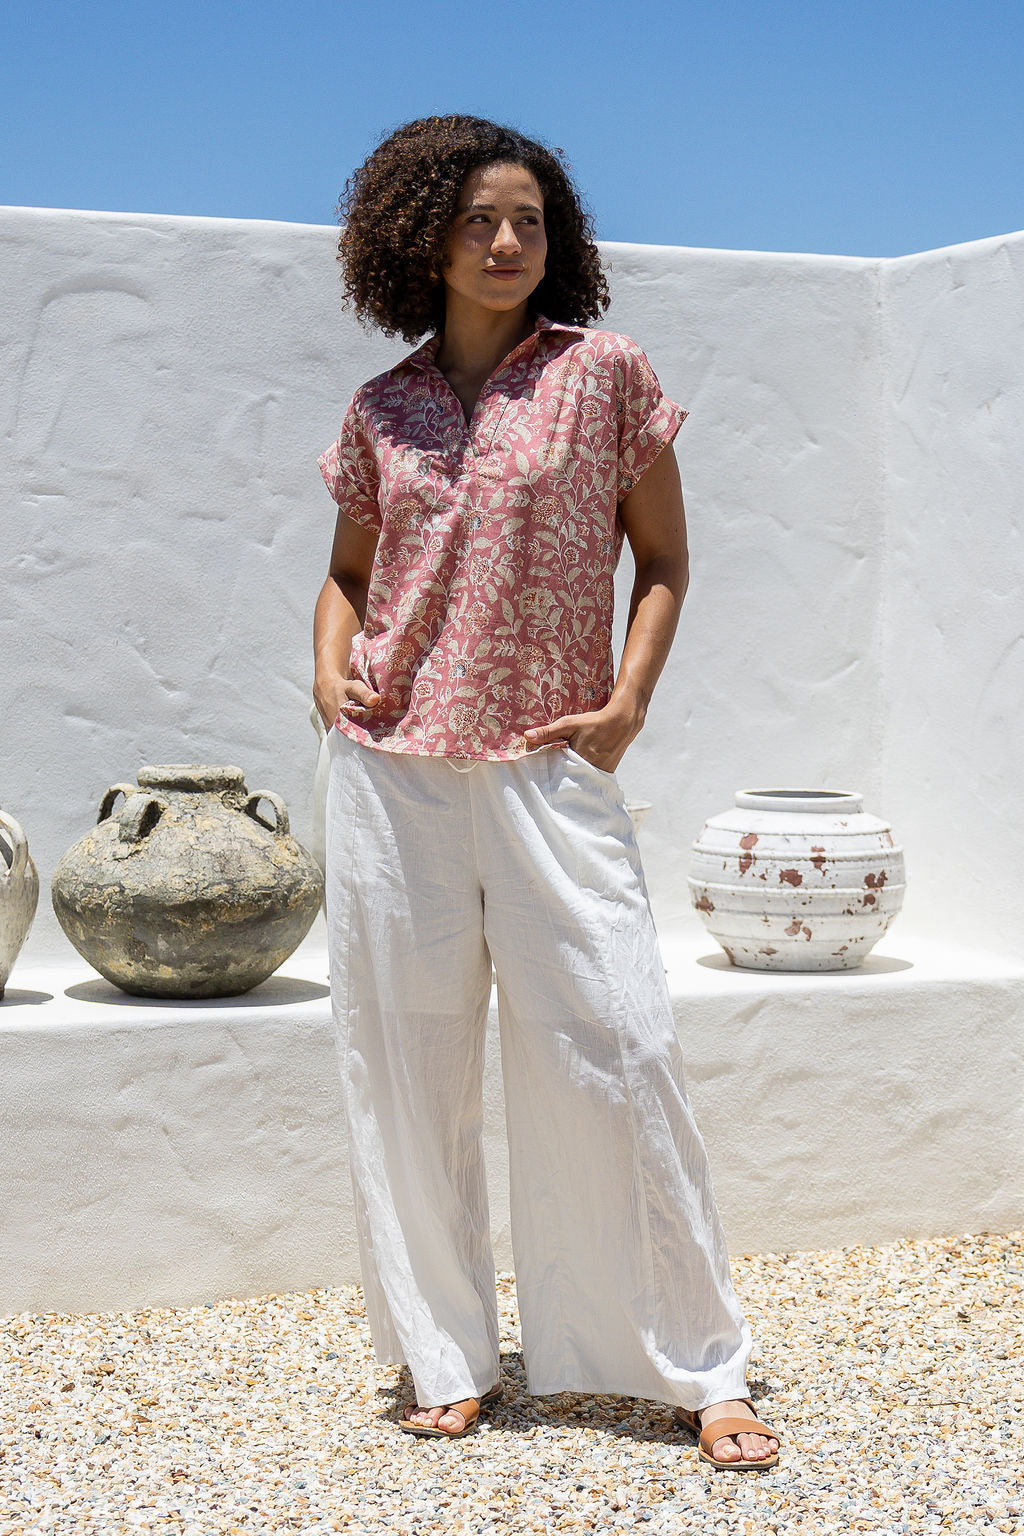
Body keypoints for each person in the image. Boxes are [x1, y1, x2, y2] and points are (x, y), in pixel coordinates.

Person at [312, 115, 780, 1470]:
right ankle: (443, 1351)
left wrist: (628, 705)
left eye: (529, 221)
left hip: (546, 764)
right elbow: (348, 575)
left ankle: (700, 1368)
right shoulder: (382, 409)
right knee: (404, 1067)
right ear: (421, 240)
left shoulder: (607, 375)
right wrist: (328, 671)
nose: (508, 243)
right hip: (392, 775)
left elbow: (666, 560)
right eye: (477, 221)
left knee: (621, 1051)